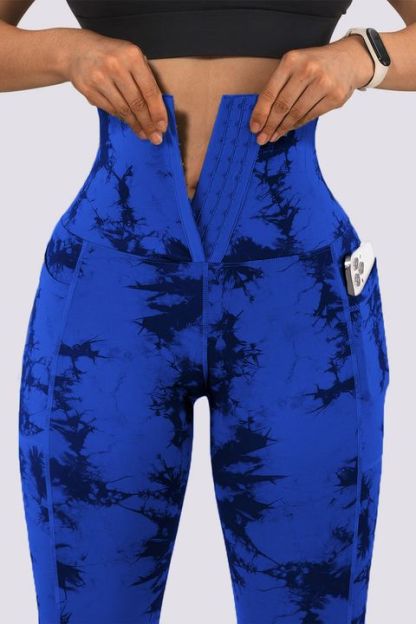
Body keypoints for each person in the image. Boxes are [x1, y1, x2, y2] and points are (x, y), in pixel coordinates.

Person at [1, 1, 413, 622]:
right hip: (112, 287)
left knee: (312, 607)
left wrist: (363, 57)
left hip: (295, 292)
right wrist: (66, 51)